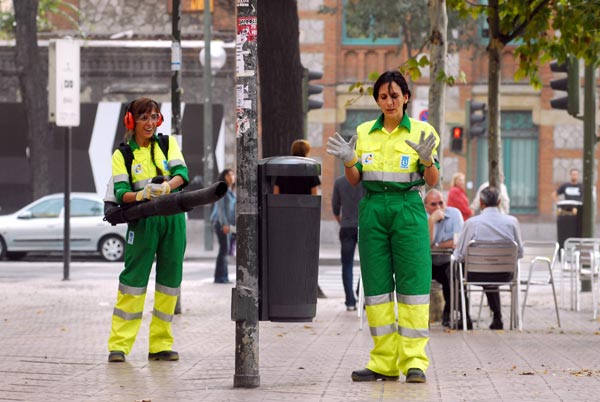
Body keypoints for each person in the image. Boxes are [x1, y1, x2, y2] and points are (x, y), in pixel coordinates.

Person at [327, 70, 440, 384]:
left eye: (394, 95)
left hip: (408, 209)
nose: (389, 102)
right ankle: (383, 363)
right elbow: (355, 180)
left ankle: (415, 362)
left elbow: (432, 182)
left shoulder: (422, 130)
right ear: (377, 100)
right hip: (373, 209)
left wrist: (428, 160)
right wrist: (350, 160)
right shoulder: (365, 132)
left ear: (406, 97)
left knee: (413, 286)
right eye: (383, 96)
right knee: (376, 288)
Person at [107, 97, 189, 363]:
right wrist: (142, 194)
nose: (150, 123)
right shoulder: (123, 155)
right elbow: (121, 193)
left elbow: (182, 173)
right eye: (144, 118)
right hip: (143, 220)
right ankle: (119, 346)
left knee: (169, 282)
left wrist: (167, 187)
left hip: (173, 218)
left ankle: (160, 344)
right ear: (132, 121)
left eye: (154, 117)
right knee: (133, 281)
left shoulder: (168, 144)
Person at [453, 186, 524, 330]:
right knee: (491, 270)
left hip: (475, 274)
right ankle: (497, 317)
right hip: (505, 274)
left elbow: (459, 255)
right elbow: (520, 253)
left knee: (457, 269)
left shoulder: (472, 223)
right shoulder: (512, 222)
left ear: (481, 202)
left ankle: (465, 318)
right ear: (499, 202)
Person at [273, 139, 326, 298]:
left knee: (286, 249)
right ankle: (303, 285)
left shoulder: (284, 168)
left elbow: (276, 192)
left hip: (286, 215)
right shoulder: (309, 168)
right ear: (306, 151)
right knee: (304, 250)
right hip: (304, 215)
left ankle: (286, 284)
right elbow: (314, 194)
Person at [424, 189, 464, 328]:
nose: (438, 208)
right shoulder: (422, 216)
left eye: (441, 203)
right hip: (427, 263)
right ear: (426, 207)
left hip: (447, 262)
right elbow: (424, 244)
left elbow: (457, 241)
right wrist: (431, 221)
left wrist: (436, 245)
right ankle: (422, 316)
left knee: (453, 275)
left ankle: (449, 313)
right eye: (433, 204)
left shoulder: (454, 214)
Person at [332, 174, 364, 311]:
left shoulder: (339, 181)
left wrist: (341, 221)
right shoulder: (366, 181)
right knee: (366, 264)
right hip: (364, 227)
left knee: (347, 265)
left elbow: (335, 206)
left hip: (346, 227)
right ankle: (360, 293)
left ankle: (350, 301)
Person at [211, 168, 236, 284]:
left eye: (232, 175)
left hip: (227, 225)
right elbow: (220, 209)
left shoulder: (231, 191)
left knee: (224, 250)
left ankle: (223, 276)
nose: (231, 177)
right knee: (224, 250)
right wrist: (224, 224)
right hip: (221, 224)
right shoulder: (223, 189)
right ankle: (220, 277)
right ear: (224, 177)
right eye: (228, 175)